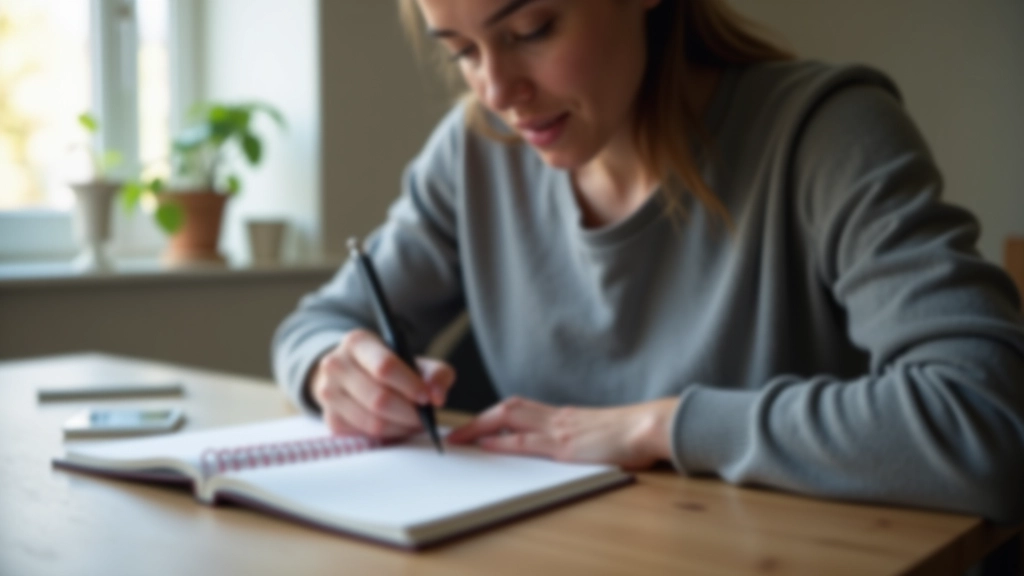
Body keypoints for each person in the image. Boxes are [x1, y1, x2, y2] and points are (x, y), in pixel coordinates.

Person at [273, 0, 1024, 522]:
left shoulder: (826, 135)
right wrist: (331, 371)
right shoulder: (474, 151)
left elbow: (985, 421)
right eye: (462, 52)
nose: (498, 91)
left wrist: (658, 428)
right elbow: (318, 323)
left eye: (531, 28)